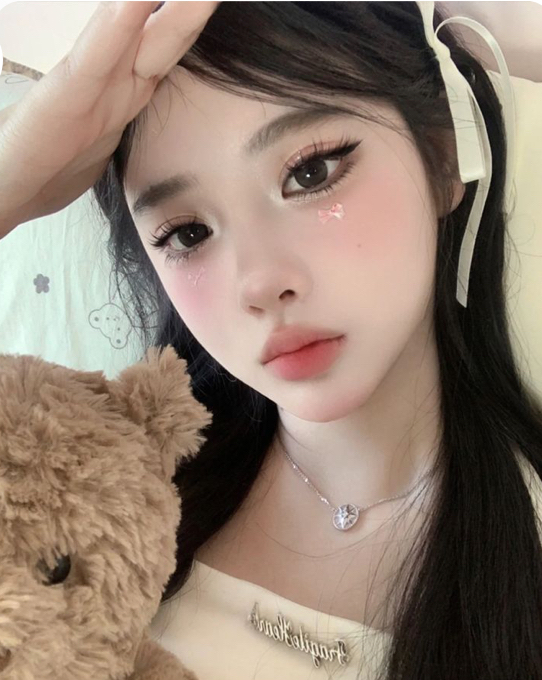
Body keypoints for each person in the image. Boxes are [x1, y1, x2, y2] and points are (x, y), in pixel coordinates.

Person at [1, 2, 542, 678]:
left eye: (310, 173)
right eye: (188, 232)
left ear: (442, 156)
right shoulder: (77, 484)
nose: (259, 282)